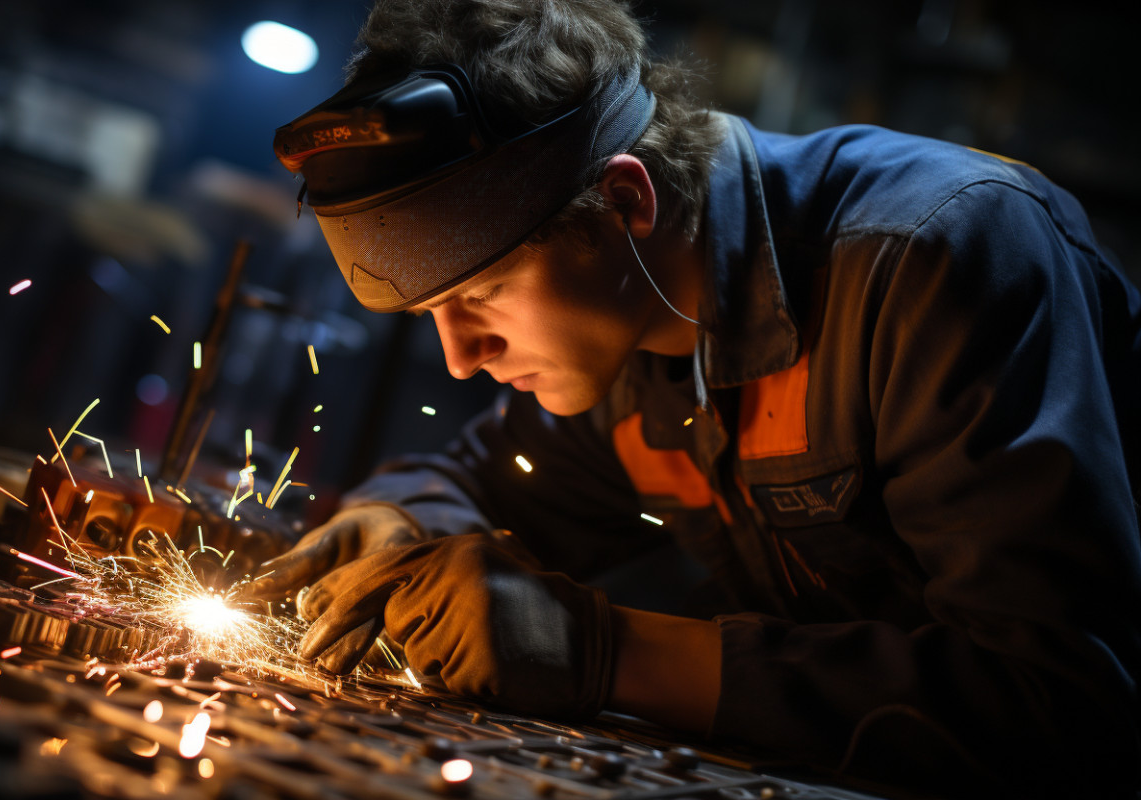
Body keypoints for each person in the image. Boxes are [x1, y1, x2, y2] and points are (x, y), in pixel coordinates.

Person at [252, 0, 1141, 793]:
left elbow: (1057, 703)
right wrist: (402, 525)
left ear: (623, 202)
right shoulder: (622, 332)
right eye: (431, 314)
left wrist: (604, 654)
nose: (460, 357)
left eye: (479, 296)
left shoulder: (933, 255)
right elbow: (473, 483)